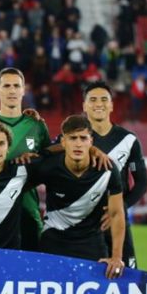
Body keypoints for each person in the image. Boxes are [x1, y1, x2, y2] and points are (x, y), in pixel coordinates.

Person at [31, 115, 125, 279]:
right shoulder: (48, 167)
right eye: (73, 138)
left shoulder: (108, 169)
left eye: (83, 138)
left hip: (92, 244)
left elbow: (117, 213)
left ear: (91, 141)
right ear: (63, 142)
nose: (78, 144)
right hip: (53, 242)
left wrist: (116, 257)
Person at [0, 68, 51, 251]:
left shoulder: (37, 126)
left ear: (24, 90)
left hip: (27, 211)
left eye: (16, 86)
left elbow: (49, 165)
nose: (12, 90)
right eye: (6, 86)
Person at [82, 81, 147, 268]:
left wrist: (119, 210)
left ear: (111, 105)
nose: (98, 104)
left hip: (117, 223)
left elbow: (141, 183)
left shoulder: (128, 140)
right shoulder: (75, 139)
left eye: (104, 99)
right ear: (84, 106)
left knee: (127, 280)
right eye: (92, 100)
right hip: (83, 225)